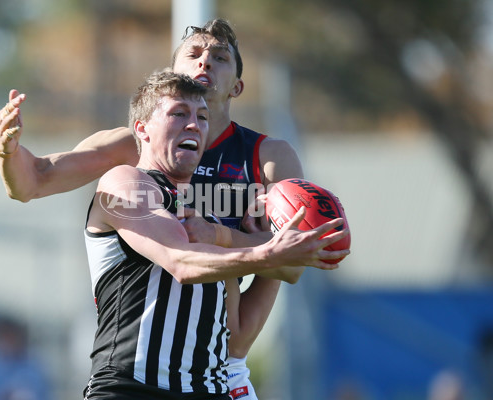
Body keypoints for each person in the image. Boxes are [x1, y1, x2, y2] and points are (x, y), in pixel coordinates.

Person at [0, 19, 347, 398]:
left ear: (238, 87)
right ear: (171, 73)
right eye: (193, 55)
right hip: (138, 373)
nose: (205, 64)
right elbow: (33, 181)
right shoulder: (128, 156)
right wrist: (7, 152)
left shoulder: (265, 155)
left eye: (219, 57)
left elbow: (292, 261)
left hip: (219, 369)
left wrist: (222, 235)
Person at [79, 70, 347, 399]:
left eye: (202, 117)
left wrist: (274, 240)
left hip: (208, 391)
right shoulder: (124, 183)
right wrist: (269, 253)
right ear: (142, 129)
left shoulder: (210, 223)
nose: (194, 124)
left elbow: (237, 337)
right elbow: (181, 263)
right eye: (178, 113)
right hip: (130, 389)